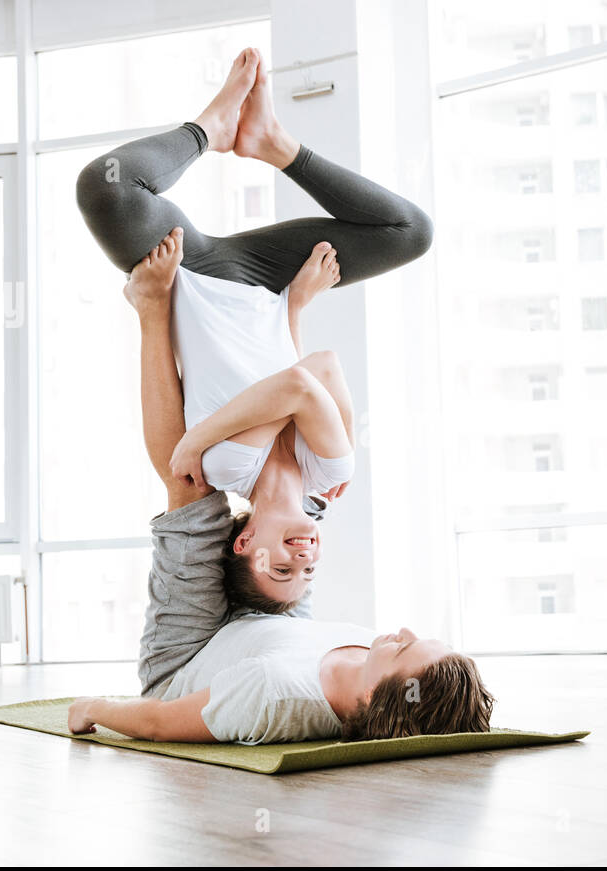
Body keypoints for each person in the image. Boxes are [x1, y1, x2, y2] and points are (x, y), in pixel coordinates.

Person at [66, 229, 493, 744]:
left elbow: (158, 722)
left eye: (404, 649)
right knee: (304, 500)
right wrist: (292, 314)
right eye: (417, 638)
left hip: (191, 660)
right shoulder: (371, 655)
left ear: (372, 696)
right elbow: (303, 388)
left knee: (190, 483)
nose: (402, 633)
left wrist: (91, 707)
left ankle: (152, 306)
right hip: (278, 613)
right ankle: (288, 312)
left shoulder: (275, 696)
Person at [76, 47, 432, 613]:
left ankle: (207, 130)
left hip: (186, 273)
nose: (303, 556)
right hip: (271, 282)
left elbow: (296, 388)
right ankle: (273, 143)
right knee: (409, 232)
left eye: (282, 567)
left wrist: (157, 306)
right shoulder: (329, 470)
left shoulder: (219, 470)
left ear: (243, 544)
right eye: (309, 570)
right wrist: (293, 308)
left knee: (106, 186)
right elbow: (313, 371)